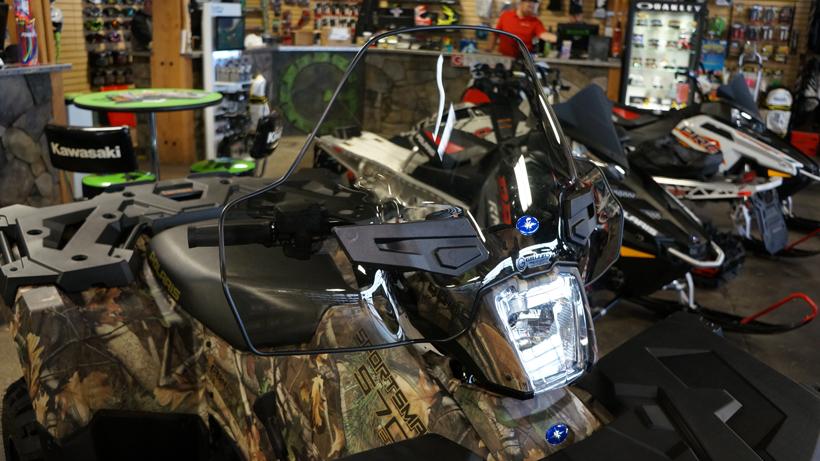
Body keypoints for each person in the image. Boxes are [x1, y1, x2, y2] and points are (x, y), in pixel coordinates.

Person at [487, 0, 557, 58]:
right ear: (521, 3)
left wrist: (558, 38)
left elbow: (543, 34)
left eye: (532, 8)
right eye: (529, 6)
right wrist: (489, 50)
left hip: (523, 59)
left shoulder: (535, 22)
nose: (531, 9)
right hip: (504, 57)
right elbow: (495, 34)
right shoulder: (506, 16)